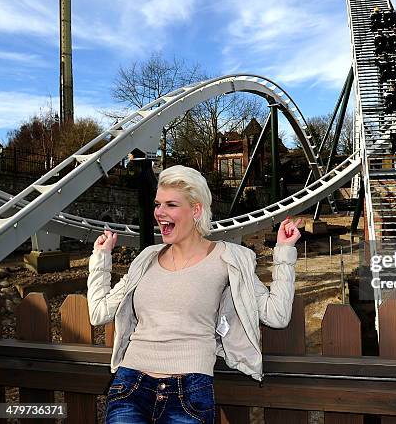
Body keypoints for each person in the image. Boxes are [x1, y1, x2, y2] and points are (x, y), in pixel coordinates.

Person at [87, 165, 302, 424]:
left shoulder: (229, 258)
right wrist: (101, 257)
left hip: (189, 389)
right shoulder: (146, 259)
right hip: (130, 384)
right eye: (158, 204)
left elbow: (277, 315)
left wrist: (284, 252)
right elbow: (98, 313)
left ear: (196, 210)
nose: (159, 212)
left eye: (171, 205)